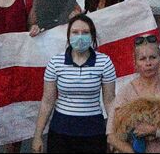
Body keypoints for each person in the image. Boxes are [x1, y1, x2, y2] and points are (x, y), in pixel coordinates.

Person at [30, 15, 117, 153]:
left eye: (85, 32)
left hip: (93, 133)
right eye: (75, 32)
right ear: (68, 36)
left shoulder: (105, 62)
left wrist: (113, 134)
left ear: (92, 36)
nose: (80, 36)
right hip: (60, 133)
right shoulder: (55, 62)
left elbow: (110, 101)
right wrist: (37, 136)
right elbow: (47, 101)